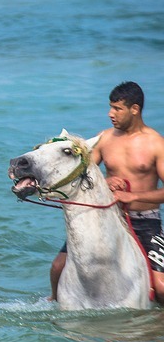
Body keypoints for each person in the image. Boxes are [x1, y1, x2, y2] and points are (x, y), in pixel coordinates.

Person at [49, 81, 164, 303]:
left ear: (135, 109)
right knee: (57, 267)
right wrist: (105, 180)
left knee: (161, 287)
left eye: (117, 109)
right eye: (111, 107)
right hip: (107, 217)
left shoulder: (156, 144)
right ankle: (54, 302)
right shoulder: (105, 138)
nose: (111, 114)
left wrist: (133, 196)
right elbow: (80, 175)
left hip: (145, 221)